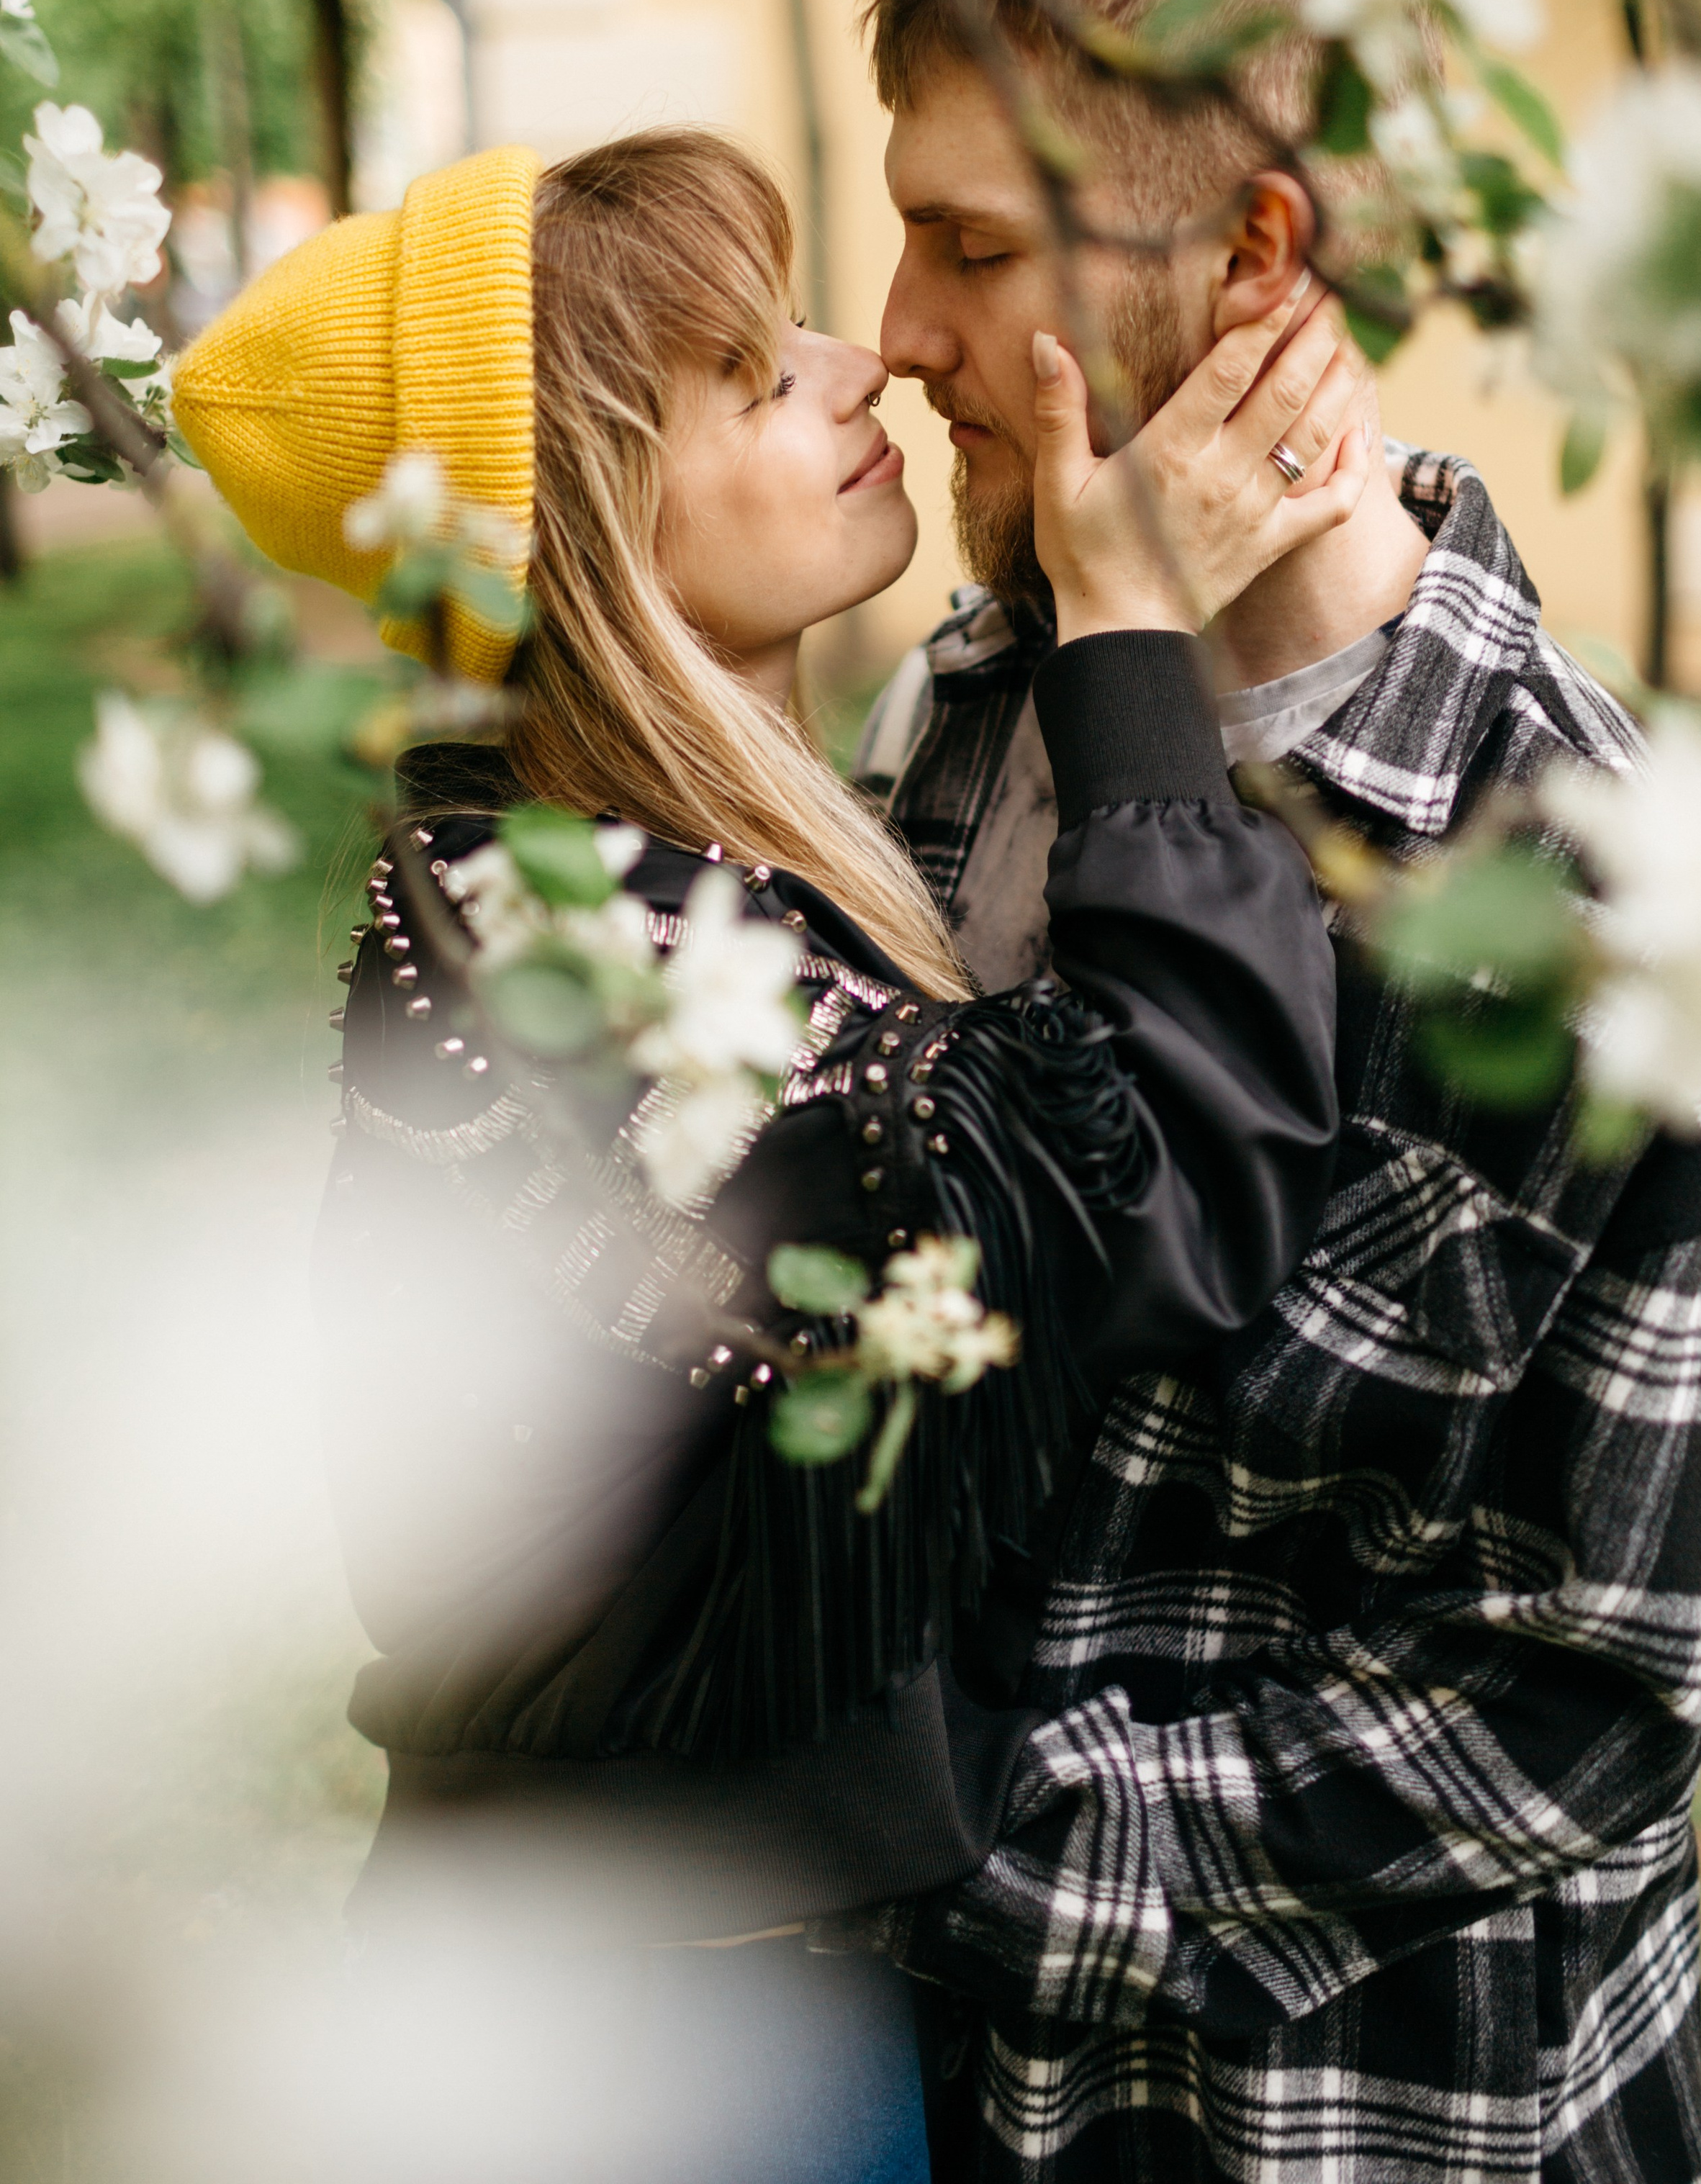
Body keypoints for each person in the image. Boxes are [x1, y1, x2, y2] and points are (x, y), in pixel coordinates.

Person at [168, 127, 1365, 2184]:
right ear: (584, 535)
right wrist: (1131, 640)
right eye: (748, 374)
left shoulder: (621, 874)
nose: (858, 362)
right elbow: (1159, 1200)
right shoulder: (584, 954)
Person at [852, 0, 1701, 2183]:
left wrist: (935, 1840)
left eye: (974, 249)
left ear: (1257, 255)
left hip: (1356, 2117)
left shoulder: (1601, 907)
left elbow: (1584, 1695)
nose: (896, 333)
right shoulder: (962, 710)